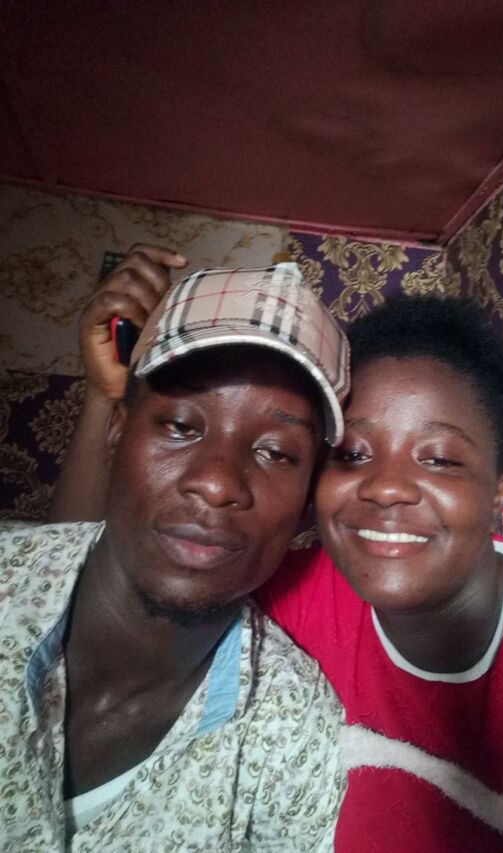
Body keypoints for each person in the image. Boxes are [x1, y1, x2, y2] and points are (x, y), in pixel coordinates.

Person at [52, 248, 503, 852]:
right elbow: (79, 580)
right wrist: (103, 397)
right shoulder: (298, 590)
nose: (385, 487)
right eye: (353, 455)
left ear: (499, 493)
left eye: (440, 459)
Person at [0, 258, 350, 851]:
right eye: (181, 426)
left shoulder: (295, 736)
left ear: (307, 503)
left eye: (275, 452)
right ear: (116, 432)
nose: (216, 483)